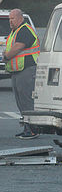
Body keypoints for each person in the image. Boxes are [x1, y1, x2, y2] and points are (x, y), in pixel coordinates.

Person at [1, 9, 40, 139]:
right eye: (9, 19)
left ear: (19, 18)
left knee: (27, 100)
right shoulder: (16, 31)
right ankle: (27, 128)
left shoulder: (24, 29)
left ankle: (32, 129)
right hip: (18, 71)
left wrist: (6, 56)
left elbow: (18, 47)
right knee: (21, 101)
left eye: (12, 18)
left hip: (27, 70)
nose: (10, 21)